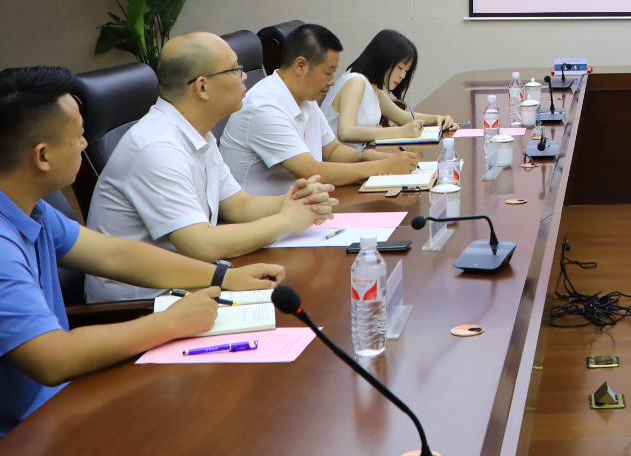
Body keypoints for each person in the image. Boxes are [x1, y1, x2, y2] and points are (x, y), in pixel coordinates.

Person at [0, 66, 286, 456]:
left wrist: (223, 276)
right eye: (79, 136)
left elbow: (113, 252)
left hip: (33, 410)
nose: (86, 144)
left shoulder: (10, 199)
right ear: (42, 156)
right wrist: (171, 322)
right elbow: (53, 359)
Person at [85, 32, 340, 303]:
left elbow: (240, 206)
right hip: (144, 305)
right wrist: (286, 220)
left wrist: (296, 201)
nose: (245, 77)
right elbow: (201, 244)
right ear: (203, 87)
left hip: (190, 283)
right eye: (235, 70)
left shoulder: (198, 133)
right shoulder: (157, 148)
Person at [218, 23, 419, 196]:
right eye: (329, 72)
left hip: (301, 204)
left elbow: (332, 150)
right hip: (264, 218)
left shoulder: (306, 98)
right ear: (300, 66)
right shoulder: (264, 107)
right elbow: (312, 171)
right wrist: (382, 167)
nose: (332, 81)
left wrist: (365, 156)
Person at [323, 29, 455, 151]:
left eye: (406, 71)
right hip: (338, 162)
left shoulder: (372, 87)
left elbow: (402, 117)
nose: (403, 76)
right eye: (400, 68)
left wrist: (438, 119)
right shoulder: (356, 82)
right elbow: (346, 132)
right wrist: (400, 132)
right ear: (383, 59)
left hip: (357, 156)